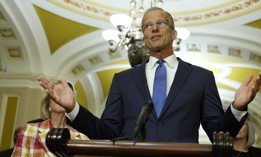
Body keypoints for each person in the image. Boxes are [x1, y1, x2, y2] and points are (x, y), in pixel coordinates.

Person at [37, 7, 261, 143]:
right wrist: (73, 108)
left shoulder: (201, 78)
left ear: (173, 34)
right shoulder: (122, 80)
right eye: (147, 26)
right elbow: (107, 132)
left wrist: (237, 108)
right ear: (144, 37)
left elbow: (217, 134)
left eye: (160, 23)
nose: (153, 28)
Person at [12, 81, 89, 156]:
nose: (62, 99)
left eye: (66, 94)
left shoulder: (81, 137)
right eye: (58, 93)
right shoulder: (30, 130)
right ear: (48, 105)